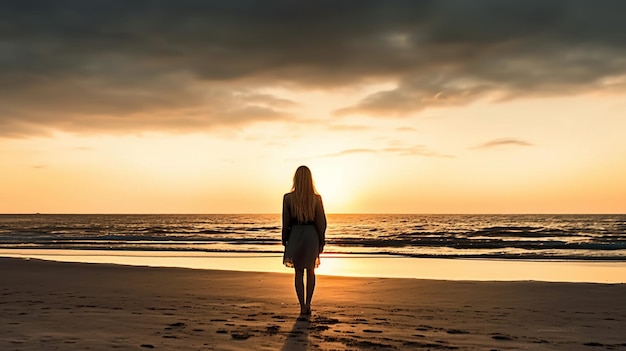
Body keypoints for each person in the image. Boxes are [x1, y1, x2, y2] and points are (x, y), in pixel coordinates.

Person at [282, 165, 327, 315]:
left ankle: (302, 305)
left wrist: (285, 239)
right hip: (311, 234)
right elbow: (322, 222)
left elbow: (285, 222)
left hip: (295, 233)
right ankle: (308, 304)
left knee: (298, 272)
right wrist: (321, 240)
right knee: (311, 272)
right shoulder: (316, 199)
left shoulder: (288, 198)